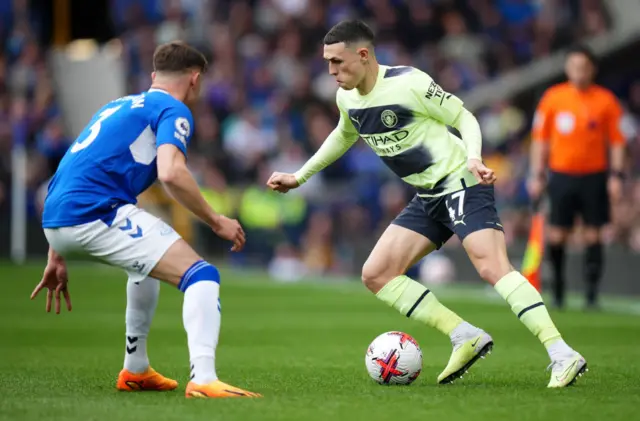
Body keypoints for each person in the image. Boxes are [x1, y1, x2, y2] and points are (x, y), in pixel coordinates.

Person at [267, 20, 586, 388]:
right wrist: (299, 176)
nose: (331, 71)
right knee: (377, 273)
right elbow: (343, 134)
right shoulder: (347, 97)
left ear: (364, 54)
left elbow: (463, 116)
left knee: (491, 266)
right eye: (327, 62)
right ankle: (463, 334)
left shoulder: (408, 83)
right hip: (429, 195)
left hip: (460, 180)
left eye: (338, 62)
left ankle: (562, 353)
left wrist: (475, 157)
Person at [30, 41, 260, 399]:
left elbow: (72, 168)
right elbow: (171, 173)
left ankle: (135, 370)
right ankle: (203, 378)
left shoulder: (116, 106)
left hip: (59, 216)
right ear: (195, 81)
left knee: (144, 267)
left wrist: (56, 250)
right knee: (201, 274)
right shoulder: (174, 108)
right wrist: (216, 220)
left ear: (154, 76)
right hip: (95, 213)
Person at [528, 45, 625, 310]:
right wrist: (537, 173)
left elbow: (617, 141)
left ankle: (591, 295)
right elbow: (540, 140)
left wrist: (616, 175)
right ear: (567, 68)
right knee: (558, 234)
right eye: (573, 67)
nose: (578, 72)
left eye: (583, 67)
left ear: (592, 69)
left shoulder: (606, 101)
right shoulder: (553, 98)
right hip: (561, 175)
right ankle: (558, 291)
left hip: (595, 175)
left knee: (594, 235)